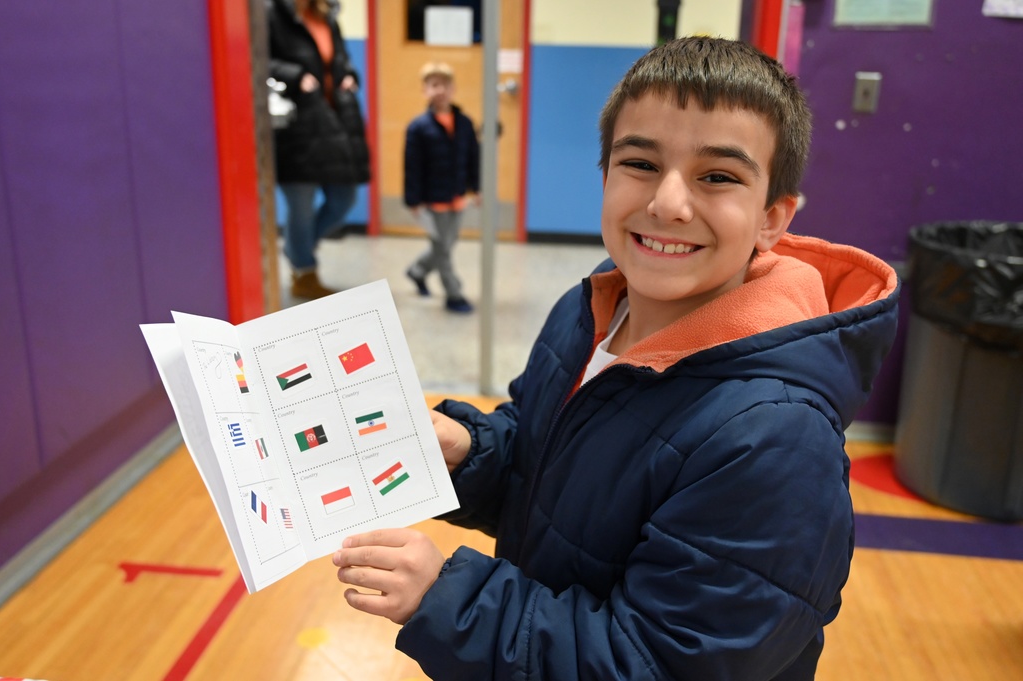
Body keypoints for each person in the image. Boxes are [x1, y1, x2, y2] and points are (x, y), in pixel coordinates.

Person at [333, 37, 900, 680]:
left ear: (772, 217)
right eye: (640, 163)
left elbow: (654, 664)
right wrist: (472, 448)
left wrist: (447, 598)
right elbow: (558, 465)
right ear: (605, 176)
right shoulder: (599, 303)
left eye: (718, 176)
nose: (668, 203)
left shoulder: (775, 441)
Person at [267, 0, 370, 299]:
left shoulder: (327, 16)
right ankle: (304, 271)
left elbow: (340, 58)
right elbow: (258, 60)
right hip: (295, 126)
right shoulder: (271, 15)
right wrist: (295, 75)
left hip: (333, 121)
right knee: (301, 206)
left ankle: (297, 249)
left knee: (343, 198)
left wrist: (349, 74)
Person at [403, 62, 480, 313]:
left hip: (456, 198)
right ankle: (453, 293)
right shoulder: (418, 127)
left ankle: (417, 271)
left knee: (447, 244)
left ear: (453, 89)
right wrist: (413, 201)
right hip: (431, 201)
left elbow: (473, 158)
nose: (439, 90)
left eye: (444, 85)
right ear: (425, 90)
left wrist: (477, 188)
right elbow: (412, 166)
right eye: (433, 85)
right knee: (442, 251)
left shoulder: (465, 123)